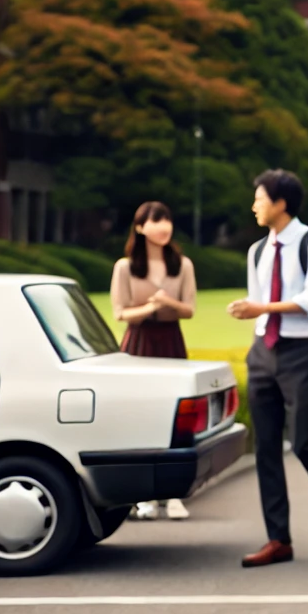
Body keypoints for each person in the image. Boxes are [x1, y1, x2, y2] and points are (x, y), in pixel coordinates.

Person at [227, 169, 308, 568]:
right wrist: (253, 312)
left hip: (302, 352)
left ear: (281, 203)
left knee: (303, 441)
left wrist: (258, 308)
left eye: (259, 198)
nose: (254, 206)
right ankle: (278, 539)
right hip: (263, 351)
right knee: (265, 448)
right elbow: (259, 301)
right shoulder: (258, 251)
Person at [111, 200, 198, 522]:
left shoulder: (182, 264)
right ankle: (143, 496)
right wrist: (150, 308)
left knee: (175, 418)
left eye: (167, 220)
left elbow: (189, 309)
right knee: (138, 416)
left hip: (171, 341)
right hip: (139, 343)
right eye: (156, 221)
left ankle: (173, 495)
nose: (163, 227)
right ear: (139, 227)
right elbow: (120, 312)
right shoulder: (125, 267)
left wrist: (167, 302)